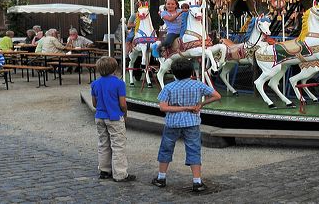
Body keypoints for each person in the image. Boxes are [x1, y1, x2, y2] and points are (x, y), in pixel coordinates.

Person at [152, 57, 221, 193]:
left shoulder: (169, 87)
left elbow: (163, 107)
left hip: (172, 123)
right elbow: (217, 96)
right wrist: (199, 105)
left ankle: (161, 178)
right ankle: (197, 181)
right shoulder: (198, 85)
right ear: (191, 72)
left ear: (173, 73)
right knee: (194, 149)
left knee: (166, 148)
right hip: (192, 122)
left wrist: (183, 108)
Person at [90, 56, 135, 182]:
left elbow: (94, 103)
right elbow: (122, 103)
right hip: (114, 117)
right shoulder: (119, 83)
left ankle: (104, 170)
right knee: (118, 145)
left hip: (99, 117)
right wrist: (125, 113)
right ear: (115, 69)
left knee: (103, 143)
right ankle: (120, 173)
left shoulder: (95, 84)